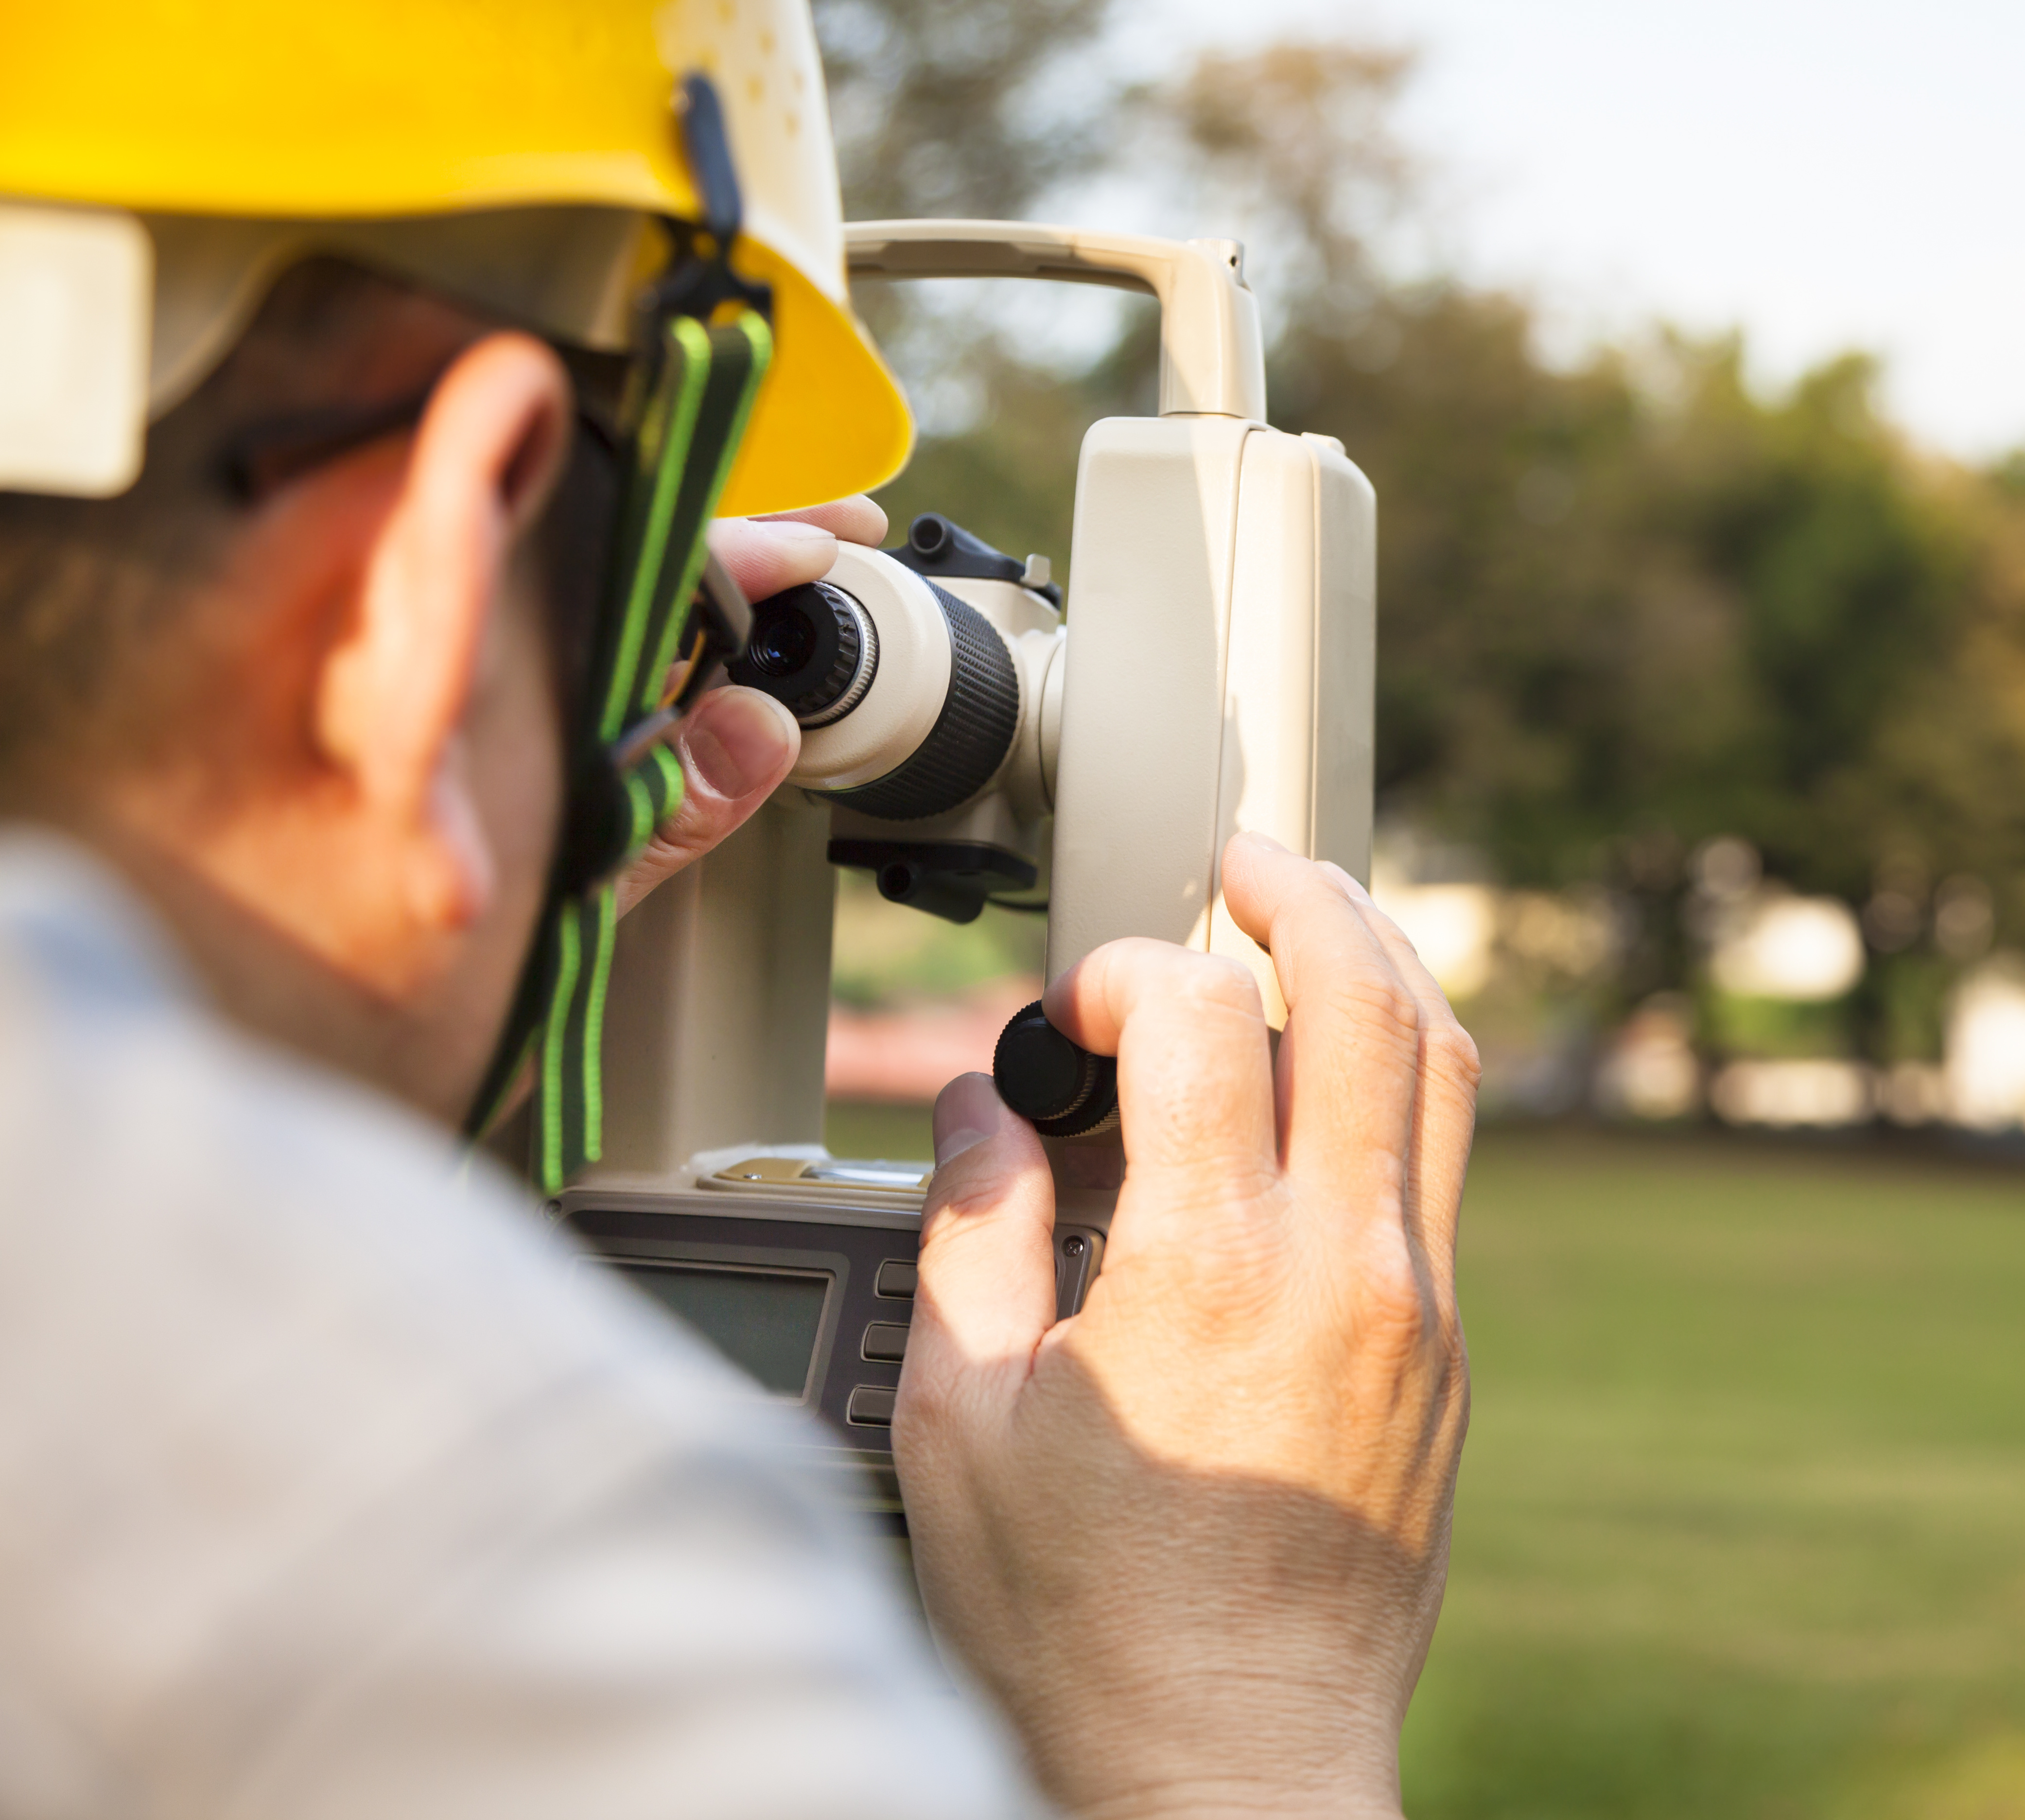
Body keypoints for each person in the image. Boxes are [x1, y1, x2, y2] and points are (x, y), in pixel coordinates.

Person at [0, 6, 1476, 1817]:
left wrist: (345, 985)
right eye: (636, 616)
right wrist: (1233, 1717)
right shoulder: (455, 1555)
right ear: (423, 585)